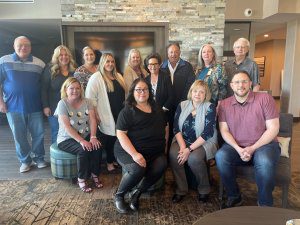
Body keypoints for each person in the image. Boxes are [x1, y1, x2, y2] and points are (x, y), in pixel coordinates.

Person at [215, 70, 280, 208]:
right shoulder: (224, 105)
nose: (241, 85)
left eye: (244, 81)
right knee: (221, 156)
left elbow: (273, 128)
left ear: (250, 83)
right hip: (236, 146)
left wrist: (252, 148)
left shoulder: (265, 99)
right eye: (237, 82)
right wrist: (239, 149)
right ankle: (234, 196)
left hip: (264, 145)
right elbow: (224, 130)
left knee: (264, 161)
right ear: (231, 85)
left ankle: (265, 204)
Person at [114, 78, 168, 214]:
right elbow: (121, 135)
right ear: (133, 92)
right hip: (128, 150)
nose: (142, 92)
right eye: (138, 89)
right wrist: (135, 154)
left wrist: (164, 147)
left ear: (149, 91)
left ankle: (137, 193)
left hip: (154, 151)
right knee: (138, 168)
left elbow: (166, 127)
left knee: (162, 164)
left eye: (145, 89)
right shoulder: (127, 111)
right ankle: (119, 195)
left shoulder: (157, 108)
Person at [0, 36, 47, 173]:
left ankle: (39, 158)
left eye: (26, 45)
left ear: (30, 47)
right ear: (14, 46)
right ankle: (25, 161)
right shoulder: (4, 61)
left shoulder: (40, 64)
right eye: (20, 45)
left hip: (35, 106)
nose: (23, 48)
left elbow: (43, 86)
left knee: (38, 134)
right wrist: (1, 103)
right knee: (19, 136)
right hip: (13, 107)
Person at [169, 80, 218, 204]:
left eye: (202, 92)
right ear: (191, 92)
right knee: (174, 155)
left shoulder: (210, 107)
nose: (197, 94)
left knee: (194, 159)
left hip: (202, 142)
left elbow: (207, 133)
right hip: (183, 141)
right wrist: (183, 147)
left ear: (206, 94)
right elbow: (175, 127)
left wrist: (188, 150)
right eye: (195, 91)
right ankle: (181, 189)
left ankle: (204, 189)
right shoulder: (182, 105)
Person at [55, 77, 102, 193]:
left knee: (97, 146)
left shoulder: (88, 101)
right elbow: (67, 126)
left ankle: (95, 174)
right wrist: (82, 141)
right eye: (71, 88)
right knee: (83, 149)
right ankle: (81, 179)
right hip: (66, 138)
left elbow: (92, 120)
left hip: (85, 134)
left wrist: (93, 137)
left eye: (77, 88)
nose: (75, 91)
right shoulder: (62, 103)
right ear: (66, 89)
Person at [86, 53, 127, 172]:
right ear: (102, 63)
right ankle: (109, 163)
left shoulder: (119, 76)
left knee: (117, 138)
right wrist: (95, 114)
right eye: (107, 61)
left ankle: (114, 159)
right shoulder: (96, 77)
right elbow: (90, 99)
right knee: (108, 139)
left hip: (119, 112)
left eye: (112, 61)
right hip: (105, 114)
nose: (110, 64)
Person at [42, 45, 76, 144]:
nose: (64, 57)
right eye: (61, 55)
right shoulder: (50, 70)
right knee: (56, 132)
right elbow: (43, 89)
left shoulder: (74, 70)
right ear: (56, 57)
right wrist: (45, 106)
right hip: (54, 108)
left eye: (66, 55)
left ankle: (68, 156)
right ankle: (56, 158)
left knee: (71, 132)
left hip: (72, 108)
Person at [160, 43, 195, 108]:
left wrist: (183, 101)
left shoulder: (187, 66)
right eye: (171, 52)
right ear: (168, 54)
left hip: (183, 103)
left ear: (179, 52)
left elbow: (190, 85)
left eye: (176, 52)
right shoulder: (162, 67)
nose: (173, 54)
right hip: (166, 104)